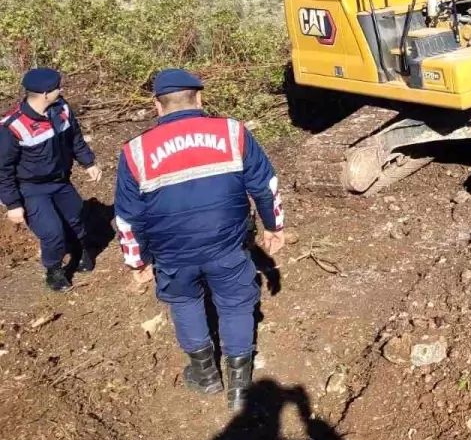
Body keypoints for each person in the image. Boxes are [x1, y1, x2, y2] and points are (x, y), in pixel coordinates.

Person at [114, 69, 286, 411]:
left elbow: (127, 219)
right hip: (228, 245)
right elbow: (265, 186)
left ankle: (206, 375)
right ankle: (239, 387)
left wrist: (138, 261)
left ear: (157, 106)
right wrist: (272, 227)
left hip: (172, 253)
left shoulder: (135, 152)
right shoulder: (232, 132)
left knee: (185, 303)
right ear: (200, 98)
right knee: (235, 303)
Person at [1, 67, 102, 292]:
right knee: (51, 231)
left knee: (77, 217)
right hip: (31, 188)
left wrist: (88, 162)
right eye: (58, 87)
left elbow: (74, 138)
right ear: (46, 94)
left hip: (60, 180)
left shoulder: (62, 109)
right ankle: (54, 270)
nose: (62, 89)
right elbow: (3, 169)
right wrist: (13, 204)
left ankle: (81, 250)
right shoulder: (13, 127)